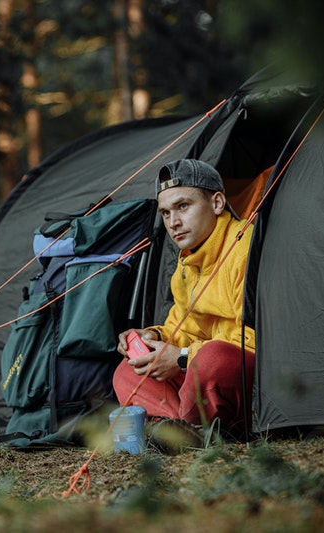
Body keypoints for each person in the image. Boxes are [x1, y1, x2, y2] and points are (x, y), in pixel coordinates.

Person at [113, 158, 256, 441]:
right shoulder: (187, 264)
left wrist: (182, 358)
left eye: (183, 206)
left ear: (217, 203)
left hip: (242, 374)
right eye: (165, 213)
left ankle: (182, 426)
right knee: (127, 372)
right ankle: (189, 429)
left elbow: (257, 339)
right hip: (197, 377)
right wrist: (151, 337)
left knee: (213, 359)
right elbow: (184, 330)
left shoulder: (246, 249)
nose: (173, 222)